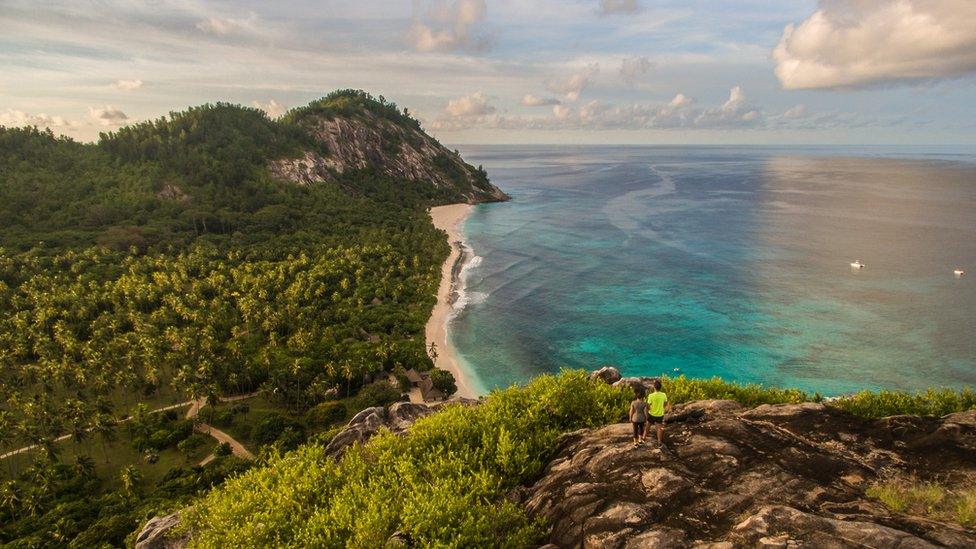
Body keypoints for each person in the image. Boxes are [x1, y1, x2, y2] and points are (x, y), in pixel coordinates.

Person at [646, 379, 671, 446]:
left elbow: (648, 405)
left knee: (648, 425)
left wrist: (649, 410)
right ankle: (659, 441)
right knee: (659, 428)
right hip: (660, 414)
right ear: (660, 387)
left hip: (652, 413)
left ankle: (644, 437)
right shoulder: (663, 395)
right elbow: (665, 404)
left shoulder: (651, 395)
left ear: (654, 387)